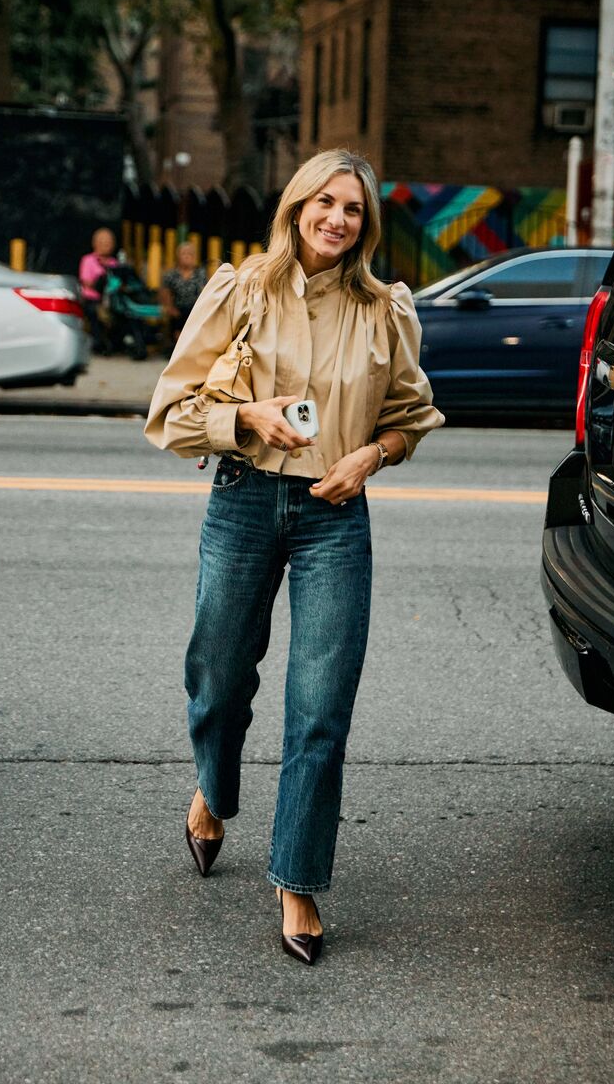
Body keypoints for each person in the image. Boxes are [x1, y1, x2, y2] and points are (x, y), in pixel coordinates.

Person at [144, 149, 444, 965]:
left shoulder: (386, 310)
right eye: (324, 201)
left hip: (334, 516)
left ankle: (298, 880)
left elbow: (413, 414)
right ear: (296, 206)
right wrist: (246, 419)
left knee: (320, 707)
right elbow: (169, 413)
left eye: (353, 208)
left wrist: (370, 457)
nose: (337, 218)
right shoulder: (240, 291)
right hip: (243, 499)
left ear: (366, 223)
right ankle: (214, 789)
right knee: (217, 672)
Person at [79, 228, 118, 353]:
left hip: (110, 299)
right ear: (94, 243)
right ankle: (98, 342)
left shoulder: (115, 263)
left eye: (108, 242)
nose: (105, 245)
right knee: (94, 311)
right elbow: (87, 283)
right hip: (92, 299)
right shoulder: (87, 260)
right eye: (102, 242)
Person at [160, 242, 207, 341]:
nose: (187, 256)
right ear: (178, 256)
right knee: (178, 315)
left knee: (192, 313)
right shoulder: (171, 274)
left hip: (195, 309)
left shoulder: (200, 274)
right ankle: (178, 342)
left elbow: (205, 292)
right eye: (184, 253)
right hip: (177, 308)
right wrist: (170, 307)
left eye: (190, 254)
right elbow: (165, 292)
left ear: (194, 257)